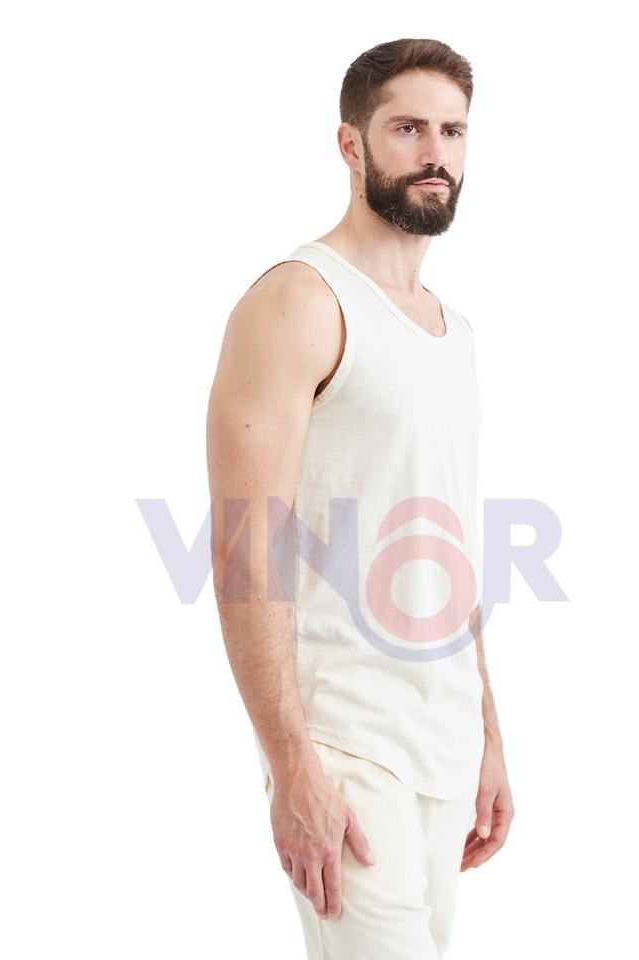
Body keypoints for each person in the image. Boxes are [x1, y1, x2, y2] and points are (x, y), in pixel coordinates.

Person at [206, 38, 513, 959]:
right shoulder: (300, 301)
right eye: (408, 128)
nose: (435, 153)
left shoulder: (455, 331)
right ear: (352, 144)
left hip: (444, 743)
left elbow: (448, 545)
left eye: (453, 131)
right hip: (345, 744)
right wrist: (291, 762)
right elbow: (243, 545)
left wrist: (489, 734)